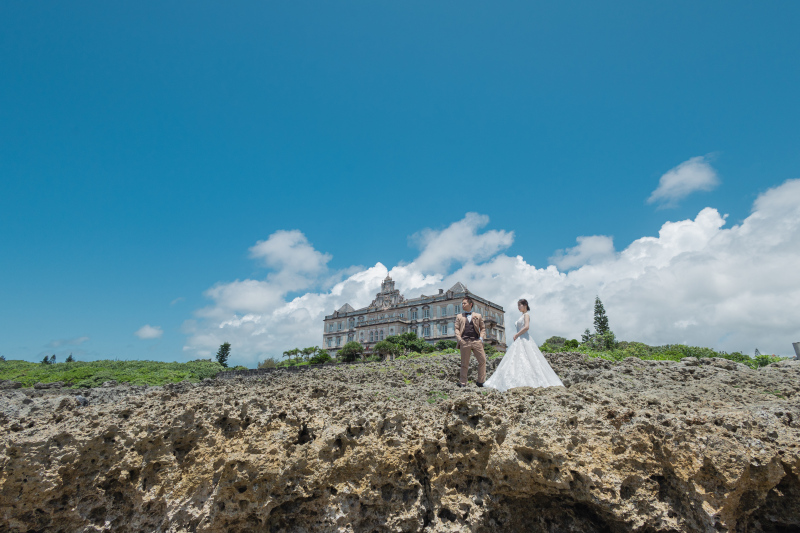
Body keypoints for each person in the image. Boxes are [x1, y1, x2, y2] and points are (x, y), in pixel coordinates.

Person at [483, 298, 564, 392]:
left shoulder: (526, 315)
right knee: (515, 360)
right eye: (518, 305)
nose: (518, 307)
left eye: (520, 305)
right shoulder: (521, 316)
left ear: (525, 305)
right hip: (519, 339)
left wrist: (517, 334)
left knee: (529, 359)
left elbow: (526, 327)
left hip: (524, 338)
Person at [454, 295, 487, 388]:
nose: (462, 305)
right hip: (464, 341)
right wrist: (460, 339)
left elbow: (483, 328)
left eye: (464, 303)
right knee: (464, 363)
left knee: (482, 360)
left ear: (470, 304)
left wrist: (481, 338)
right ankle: (463, 382)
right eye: (462, 303)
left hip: (476, 341)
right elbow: (456, 329)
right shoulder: (459, 316)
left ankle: (480, 381)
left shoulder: (478, 316)